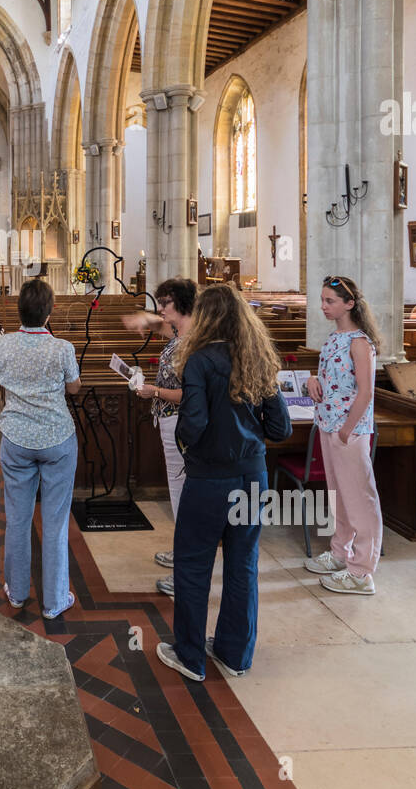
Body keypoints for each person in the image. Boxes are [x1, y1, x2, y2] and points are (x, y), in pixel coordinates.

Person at [155, 283, 291, 682]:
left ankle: (191, 656)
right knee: (242, 565)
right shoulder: (259, 358)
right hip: (252, 477)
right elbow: (280, 428)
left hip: (209, 480)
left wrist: (188, 446)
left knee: (194, 566)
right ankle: (235, 654)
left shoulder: (198, 360)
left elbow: (193, 423)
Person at [0, 277, 81, 618]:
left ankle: (17, 592)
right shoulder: (62, 348)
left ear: (18, 310)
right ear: (49, 311)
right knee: (55, 521)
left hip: (16, 439)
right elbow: (73, 389)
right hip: (57, 440)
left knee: (18, 518)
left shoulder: (2, 345)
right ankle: (55, 602)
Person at [303, 275, 382, 594]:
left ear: (349, 304)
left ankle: (362, 572)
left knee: (360, 500)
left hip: (350, 430)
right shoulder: (334, 338)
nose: (323, 306)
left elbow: (365, 393)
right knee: (340, 497)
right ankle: (340, 552)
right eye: (322, 300)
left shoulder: (360, 342)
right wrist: (312, 381)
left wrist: (347, 430)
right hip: (328, 424)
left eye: (330, 301)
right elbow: (332, 378)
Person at [122, 277, 198, 596]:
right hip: (170, 421)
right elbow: (164, 327)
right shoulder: (182, 330)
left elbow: (191, 393)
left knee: (183, 496)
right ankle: (183, 552)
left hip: (181, 424)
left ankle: (187, 572)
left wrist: (152, 391)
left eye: (164, 304)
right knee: (178, 492)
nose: (159, 310)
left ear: (179, 304)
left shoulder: (193, 340)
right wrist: (147, 319)